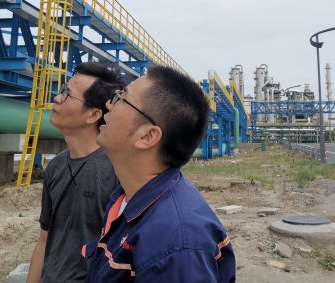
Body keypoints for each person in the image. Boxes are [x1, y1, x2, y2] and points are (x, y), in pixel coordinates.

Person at [84, 65, 236, 282]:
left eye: (121, 98)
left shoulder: (175, 245)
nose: (109, 104)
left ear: (147, 136)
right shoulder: (127, 198)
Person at [27, 62, 123, 283]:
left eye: (67, 95)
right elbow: (44, 239)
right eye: (62, 90)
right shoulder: (55, 167)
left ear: (93, 114)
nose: (57, 98)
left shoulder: (116, 171)